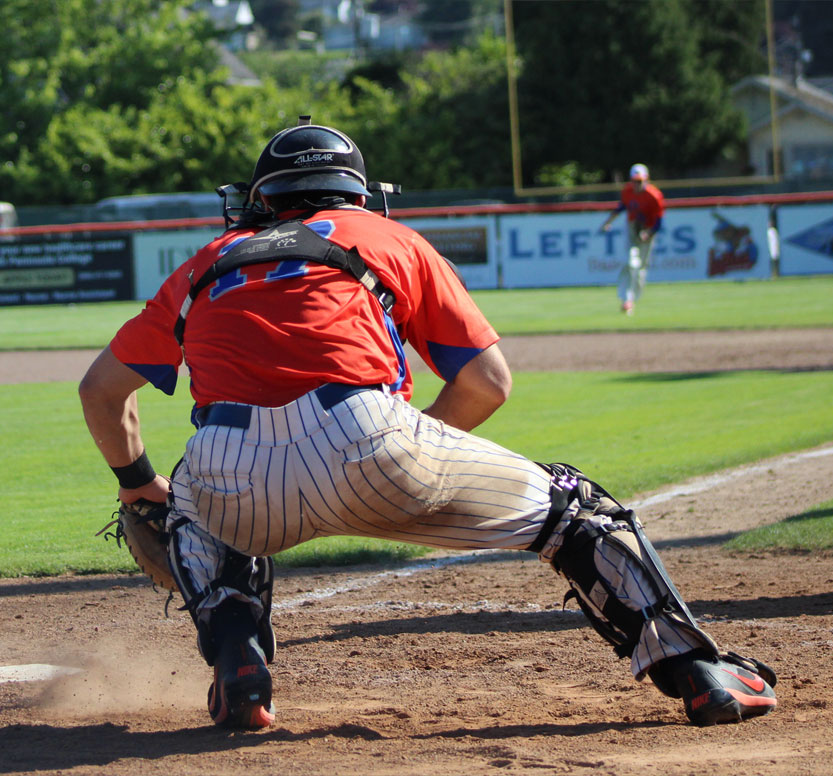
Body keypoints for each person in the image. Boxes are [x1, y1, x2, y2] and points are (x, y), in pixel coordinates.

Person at [78, 119, 776, 731]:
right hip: (371, 436)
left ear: (260, 201)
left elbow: (101, 393)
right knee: (578, 513)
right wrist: (409, 454)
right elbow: (487, 382)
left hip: (230, 461)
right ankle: (696, 672)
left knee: (190, 505)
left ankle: (239, 661)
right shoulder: (389, 237)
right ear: (357, 193)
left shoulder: (208, 260)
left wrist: (139, 488)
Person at [600, 163, 665, 314]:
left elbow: (659, 222)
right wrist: (608, 222)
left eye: (640, 181)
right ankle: (627, 299)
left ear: (646, 180)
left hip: (648, 230)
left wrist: (648, 233)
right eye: (634, 181)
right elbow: (621, 208)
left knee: (641, 267)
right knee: (630, 262)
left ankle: (633, 298)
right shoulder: (627, 191)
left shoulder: (654, 195)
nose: (637, 184)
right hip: (632, 227)